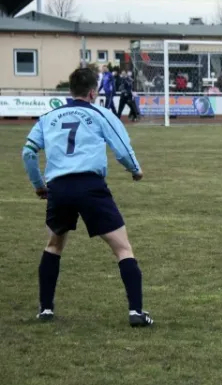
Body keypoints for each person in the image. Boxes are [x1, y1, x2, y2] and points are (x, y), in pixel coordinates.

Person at [21, 67, 153, 327]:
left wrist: (39, 185)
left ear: (70, 91)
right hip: (90, 186)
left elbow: (28, 153)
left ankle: (46, 309)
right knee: (122, 247)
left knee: (54, 245)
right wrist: (135, 170)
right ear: (94, 92)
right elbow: (122, 148)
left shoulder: (48, 117)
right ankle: (136, 312)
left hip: (59, 188)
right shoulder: (101, 113)